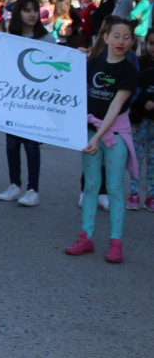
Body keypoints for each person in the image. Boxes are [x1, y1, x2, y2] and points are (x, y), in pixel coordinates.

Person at [65, 16, 139, 264]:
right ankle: (85, 237)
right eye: (116, 36)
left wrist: (97, 137)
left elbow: (115, 108)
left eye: (126, 37)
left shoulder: (129, 72)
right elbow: (70, 85)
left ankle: (115, 242)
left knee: (116, 188)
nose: (121, 41)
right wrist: (77, 58)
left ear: (132, 41)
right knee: (91, 186)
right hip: (89, 134)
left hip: (115, 136)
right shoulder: (93, 63)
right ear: (105, 38)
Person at [0, 0, 55, 207]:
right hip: (13, 101)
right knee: (12, 144)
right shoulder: (9, 38)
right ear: (18, 13)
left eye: (35, 10)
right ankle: (14, 184)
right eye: (26, 10)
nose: (31, 14)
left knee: (31, 146)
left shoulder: (47, 39)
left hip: (36, 103)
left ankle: (33, 189)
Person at [128, 28, 154, 212]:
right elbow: (132, 91)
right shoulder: (140, 64)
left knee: (153, 159)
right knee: (136, 157)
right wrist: (143, 103)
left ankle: (151, 195)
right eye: (152, 43)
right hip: (140, 120)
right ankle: (134, 193)